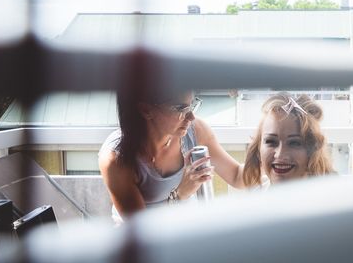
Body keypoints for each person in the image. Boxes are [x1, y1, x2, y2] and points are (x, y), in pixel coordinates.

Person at [99, 89, 244, 223]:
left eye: (192, 105)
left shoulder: (195, 130)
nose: (191, 116)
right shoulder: (116, 158)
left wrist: (263, 152)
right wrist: (180, 195)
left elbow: (237, 176)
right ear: (146, 110)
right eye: (180, 108)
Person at [243, 92, 335, 188]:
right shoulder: (258, 193)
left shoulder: (329, 199)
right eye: (271, 142)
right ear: (258, 148)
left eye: (294, 143)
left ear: (312, 150)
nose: (280, 154)